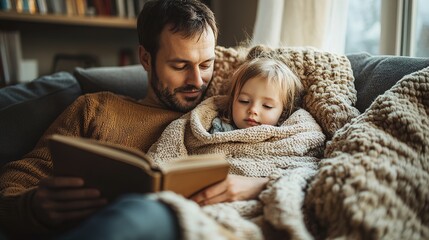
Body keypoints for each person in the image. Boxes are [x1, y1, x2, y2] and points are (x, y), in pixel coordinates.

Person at [0, 0, 218, 239]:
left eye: (206, 64)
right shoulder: (97, 109)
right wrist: (35, 206)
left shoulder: (230, 112)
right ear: (146, 59)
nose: (197, 81)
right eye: (180, 66)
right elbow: (15, 182)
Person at [144, 46, 326, 238]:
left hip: (245, 210)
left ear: (284, 111)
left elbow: (307, 170)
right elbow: (174, 145)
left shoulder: (294, 135)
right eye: (244, 101)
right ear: (232, 101)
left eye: (267, 106)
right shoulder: (209, 124)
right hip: (193, 202)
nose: (253, 110)